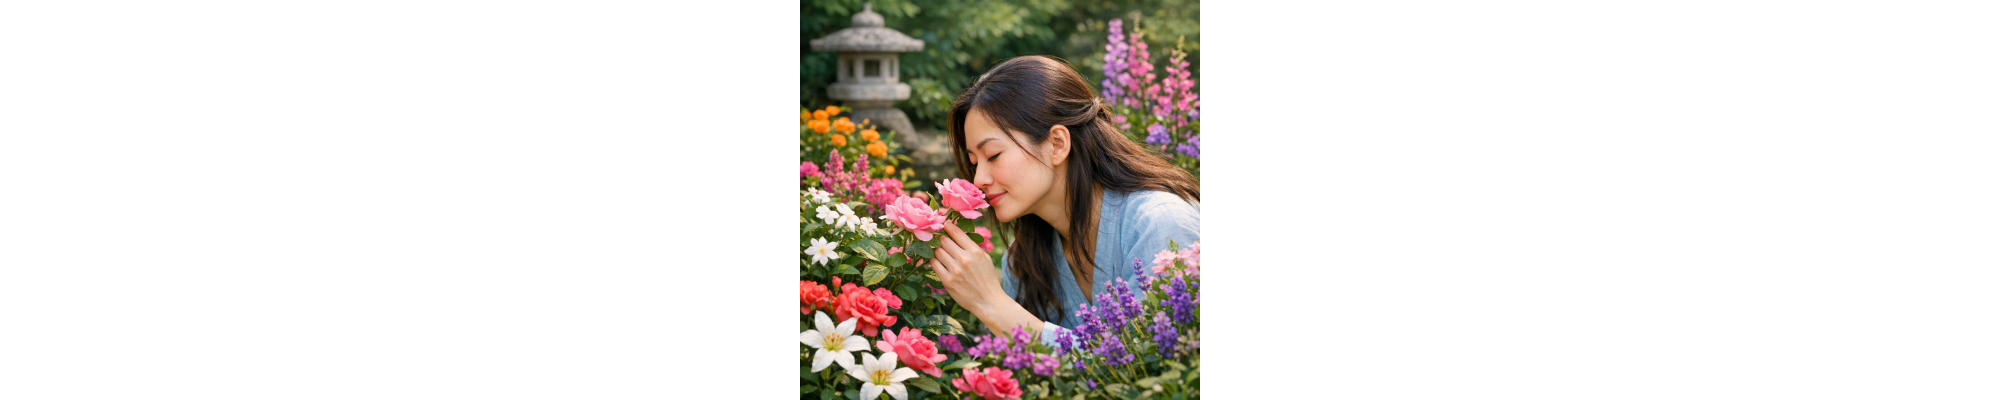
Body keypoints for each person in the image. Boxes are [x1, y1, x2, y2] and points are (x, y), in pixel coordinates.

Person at [925, 55, 1199, 347]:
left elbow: (1144, 363)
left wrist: (992, 303)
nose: (978, 179)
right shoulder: (1023, 262)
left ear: (1057, 144)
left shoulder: (1161, 224)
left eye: (993, 155)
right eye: (974, 162)